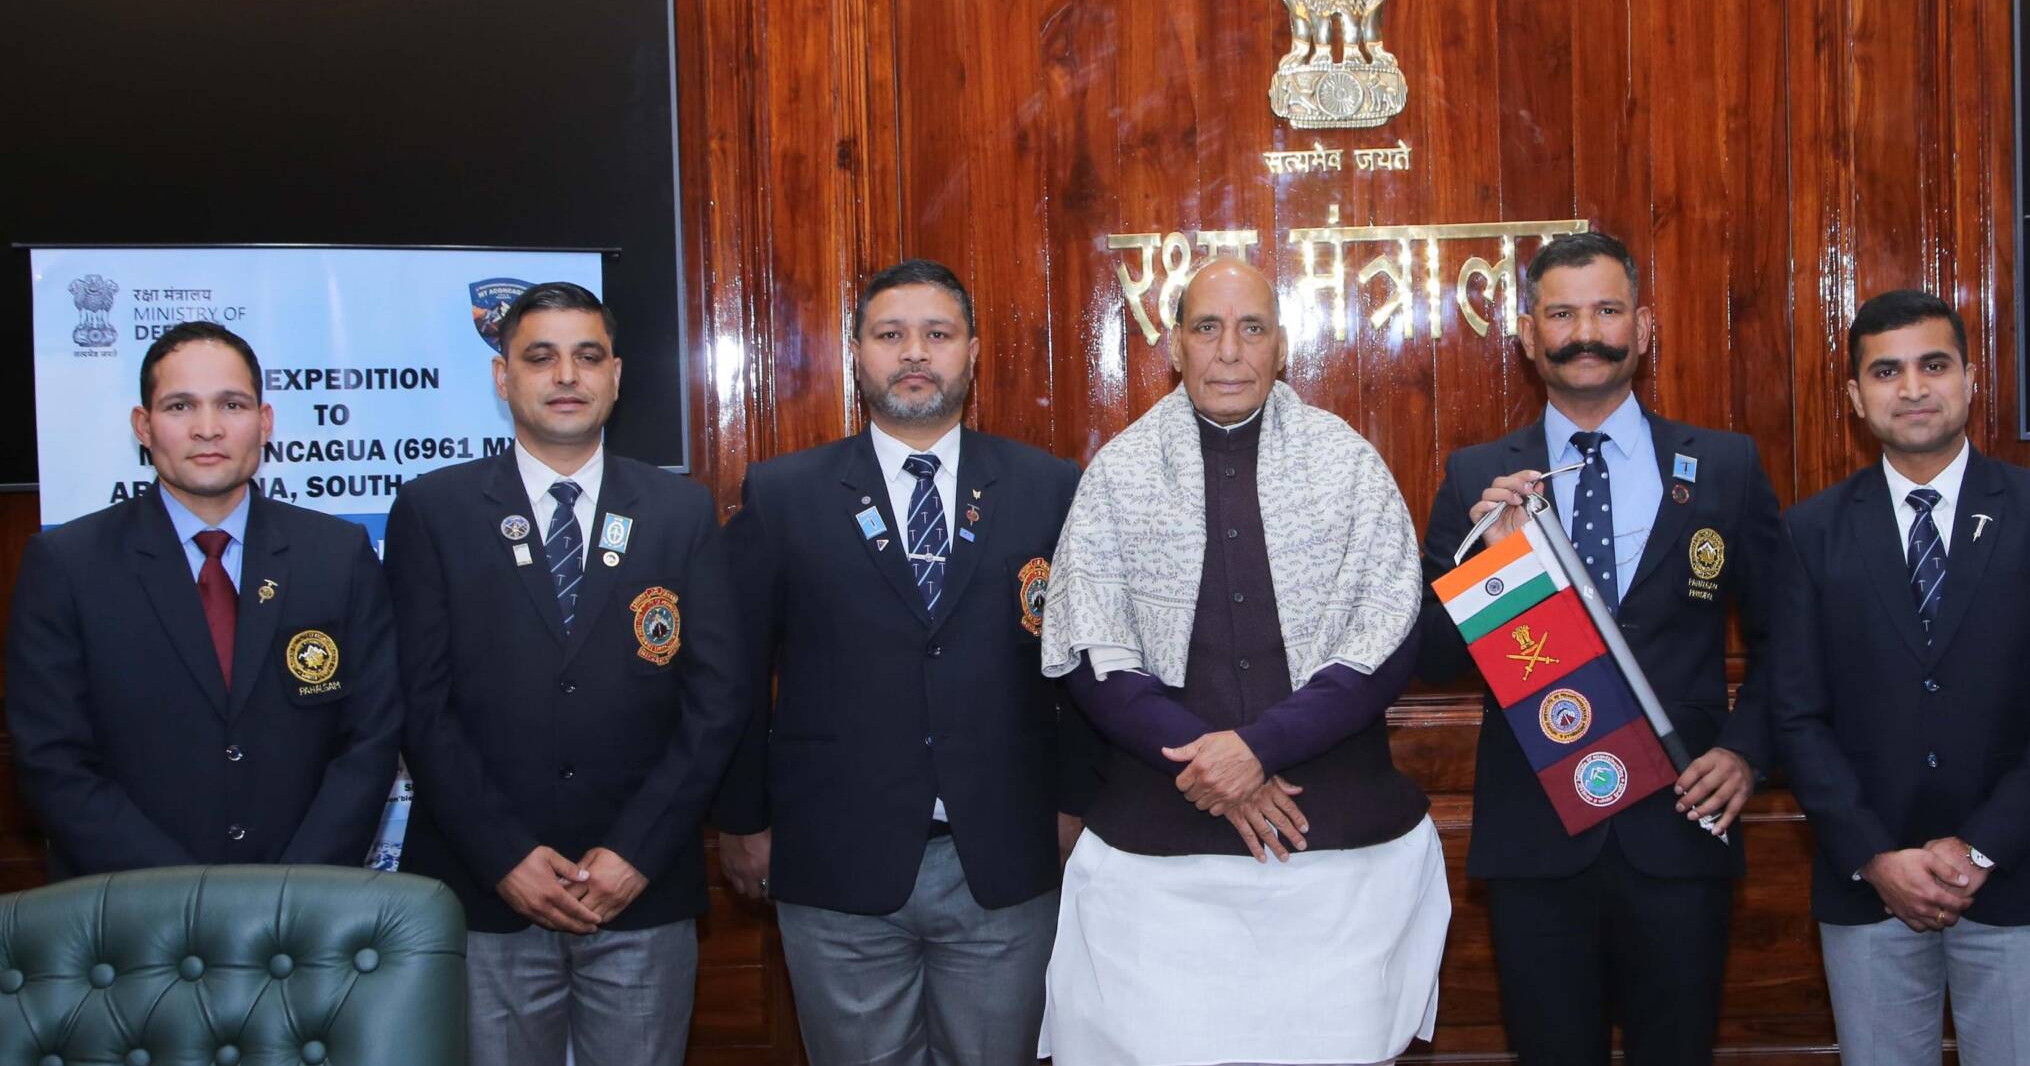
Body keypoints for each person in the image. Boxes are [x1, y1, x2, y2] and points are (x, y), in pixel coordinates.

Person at [1039, 258, 1450, 1066]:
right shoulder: (1119, 473)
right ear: (1175, 348)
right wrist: (1216, 763)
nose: (1229, 350)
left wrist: (1258, 749)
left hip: (1337, 866)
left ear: (1281, 346)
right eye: (1207, 327)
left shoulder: (1349, 465)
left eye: (1251, 328)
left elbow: (1387, 637)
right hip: (1157, 872)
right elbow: (1093, 651)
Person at [1411, 229, 1790, 1064]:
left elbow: (1785, 640)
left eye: (1608, 309)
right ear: (1527, 334)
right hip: (1538, 839)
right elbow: (1432, 655)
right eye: (1561, 314)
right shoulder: (1477, 475)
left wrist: (1747, 752)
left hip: (1683, 826)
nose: (1586, 332)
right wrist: (1499, 563)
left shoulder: (1724, 465)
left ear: (1643, 327)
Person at [712, 259, 1092, 1066]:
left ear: (972, 352)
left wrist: (1076, 803)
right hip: (835, 860)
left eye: (937, 334)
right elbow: (737, 673)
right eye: (890, 334)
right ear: (856, 353)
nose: (914, 352)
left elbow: (1086, 665)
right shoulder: (783, 494)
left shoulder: (1048, 486)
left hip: (1005, 856)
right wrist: (742, 821)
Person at [386, 282, 752, 1066]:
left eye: (587, 357)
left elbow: (717, 699)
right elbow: (419, 705)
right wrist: (504, 857)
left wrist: (635, 852)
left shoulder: (680, 511)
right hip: (486, 893)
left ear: (615, 376)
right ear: (502, 376)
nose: (565, 376)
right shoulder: (433, 509)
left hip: (640, 891)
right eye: (540, 357)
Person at [1771, 289, 2030, 1064]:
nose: (1913, 388)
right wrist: (1874, 854)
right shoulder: (1811, 530)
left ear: (1970, 378)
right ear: (1855, 397)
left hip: (2015, 874)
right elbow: (1795, 712)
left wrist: (1982, 847)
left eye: (1933, 365)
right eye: (1886, 371)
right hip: (1869, 882)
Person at [8, 321, 400, 878]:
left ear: (265, 422)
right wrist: (182, 895)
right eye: (180, 406)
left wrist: (294, 888)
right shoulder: (68, 565)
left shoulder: (338, 555)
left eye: (232, 405)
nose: (208, 429)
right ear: (143, 426)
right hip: (132, 906)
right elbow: (52, 758)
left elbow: (370, 739)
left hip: (304, 903)